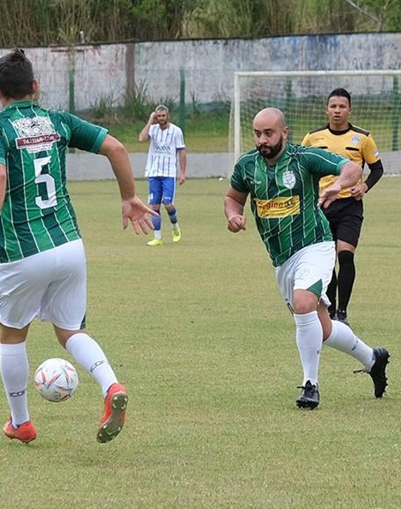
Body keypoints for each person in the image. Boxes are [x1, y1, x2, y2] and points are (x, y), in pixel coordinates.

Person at [0, 49, 155, 444]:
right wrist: (128, 197)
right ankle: (111, 387)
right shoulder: (57, 121)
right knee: (70, 329)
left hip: (23, 251)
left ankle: (20, 422)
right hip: (69, 245)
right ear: (34, 87)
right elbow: (117, 149)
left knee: (12, 334)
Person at [224, 107, 389, 409]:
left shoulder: (304, 158)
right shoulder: (247, 165)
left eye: (269, 133)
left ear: (284, 132)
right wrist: (233, 215)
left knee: (303, 304)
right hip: (282, 259)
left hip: (315, 244)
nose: (263, 139)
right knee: (321, 328)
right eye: (258, 133)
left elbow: (351, 168)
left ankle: (310, 385)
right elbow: (233, 198)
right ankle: (372, 358)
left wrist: (339, 184)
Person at [301, 88, 383, 325]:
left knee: (345, 255)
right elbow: (304, 168)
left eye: (342, 107)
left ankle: (343, 313)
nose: (337, 111)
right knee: (327, 261)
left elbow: (377, 169)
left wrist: (364, 187)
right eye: (333, 106)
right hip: (322, 205)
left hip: (350, 206)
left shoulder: (363, 138)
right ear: (326, 109)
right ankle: (330, 310)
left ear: (350, 110)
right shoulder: (312, 138)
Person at [138, 104, 186, 246]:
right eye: (158, 116)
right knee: (154, 206)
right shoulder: (152, 129)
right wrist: (149, 120)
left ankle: (175, 226)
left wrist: (182, 172)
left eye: (163, 116)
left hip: (168, 173)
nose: (161, 119)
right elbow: (141, 138)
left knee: (168, 204)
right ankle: (157, 237)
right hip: (153, 172)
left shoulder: (176, 131)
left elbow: (182, 152)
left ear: (168, 116)